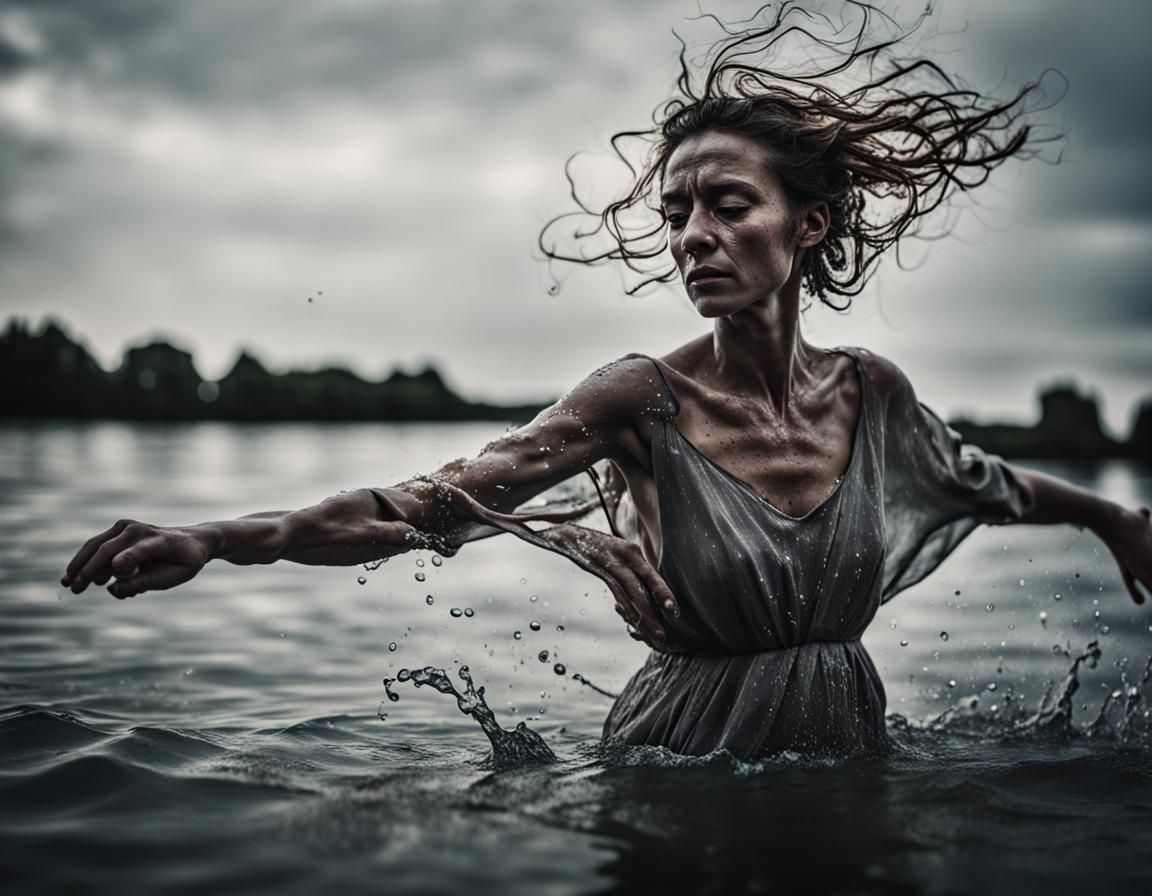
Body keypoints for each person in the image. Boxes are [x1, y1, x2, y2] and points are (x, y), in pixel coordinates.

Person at [61, 3, 1151, 759]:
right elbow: (433, 502)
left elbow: (980, 480)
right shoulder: (637, 398)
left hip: (845, 743)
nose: (692, 236)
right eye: (677, 212)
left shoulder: (874, 393)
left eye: (728, 204)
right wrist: (217, 536)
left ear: (808, 224)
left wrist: (1109, 515)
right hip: (682, 761)